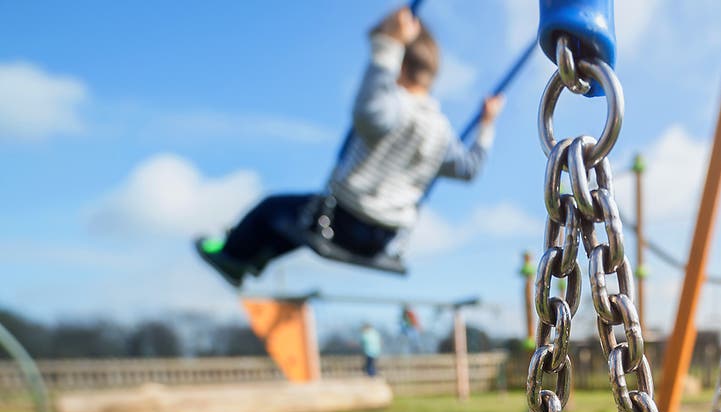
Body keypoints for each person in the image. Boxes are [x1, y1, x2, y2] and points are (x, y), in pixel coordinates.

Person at [195, 6, 505, 288]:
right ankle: (256, 257)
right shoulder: (442, 132)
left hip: (342, 221)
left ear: (397, 64)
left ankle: (232, 257)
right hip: (384, 238)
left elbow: (369, 112)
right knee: (293, 224)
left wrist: (387, 46)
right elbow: (470, 168)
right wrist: (487, 124)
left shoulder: (393, 106)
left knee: (269, 209)